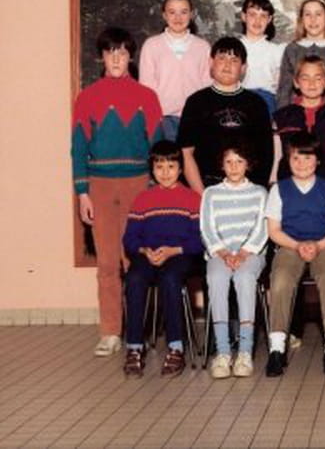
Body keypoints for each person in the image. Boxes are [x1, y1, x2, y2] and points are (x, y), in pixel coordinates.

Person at [72, 26, 163, 357]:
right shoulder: (87, 97)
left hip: (138, 184)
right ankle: (110, 331)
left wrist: (154, 191)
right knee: (107, 263)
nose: (116, 59)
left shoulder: (147, 97)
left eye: (122, 53)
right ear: (101, 57)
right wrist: (82, 192)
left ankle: (137, 332)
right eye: (110, 52)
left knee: (135, 261)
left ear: (130, 57)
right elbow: (78, 148)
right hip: (99, 186)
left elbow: (158, 149)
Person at [265, 132, 325, 377]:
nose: (302, 164)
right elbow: (273, 231)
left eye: (307, 158)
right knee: (280, 281)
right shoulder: (279, 190)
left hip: (324, 245)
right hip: (290, 245)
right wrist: (298, 245)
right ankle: (277, 347)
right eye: (296, 158)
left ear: (318, 160)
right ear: (287, 161)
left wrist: (318, 245)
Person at [122, 141, 202, 377]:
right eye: (159, 167)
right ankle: (134, 347)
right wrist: (145, 250)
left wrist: (173, 250)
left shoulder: (192, 199)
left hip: (179, 255)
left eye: (171, 166)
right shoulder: (143, 199)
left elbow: (200, 240)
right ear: (152, 169)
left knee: (170, 278)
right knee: (134, 278)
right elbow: (129, 238)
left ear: (180, 169)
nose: (165, 173)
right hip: (149, 254)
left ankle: (175, 347)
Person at [201, 142, 268, 378]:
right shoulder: (211, 193)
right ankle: (223, 352)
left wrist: (243, 253)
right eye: (229, 162)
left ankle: (245, 352)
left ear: (248, 165)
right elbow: (207, 228)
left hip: (250, 254)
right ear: (221, 165)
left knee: (244, 278)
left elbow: (262, 229)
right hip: (220, 254)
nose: (234, 167)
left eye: (239, 162)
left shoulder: (259, 193)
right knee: (216, 278)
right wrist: (223, 253)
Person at [177, 36, 273, 192]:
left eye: (234, 60)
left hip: (247, 190)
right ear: (211, 62)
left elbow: (266, 154)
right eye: (222, 58)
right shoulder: (196, 102)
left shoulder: (256, 104)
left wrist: (253, 192)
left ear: (243, 67)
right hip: (205, 186)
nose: (227, 65)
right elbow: (186, 153)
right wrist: (202, 196)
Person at [270, 55, 325, 183]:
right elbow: (276, 160)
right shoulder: (281, 117)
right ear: (296, 82)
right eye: (305, 78)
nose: (312, 83)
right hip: (288, 187)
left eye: (318, 78)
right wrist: (272, 185)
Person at [139, 0, 212, 141]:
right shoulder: (152, 45)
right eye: (172, 12)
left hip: (194, 118)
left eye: (183, 12)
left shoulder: (203, 47)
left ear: (192, 14)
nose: (178, 18)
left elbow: (208, 85)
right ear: (164, 15)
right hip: (162, 119)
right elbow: (146, 87)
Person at [277, 0, 325, 112]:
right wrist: (282, 116)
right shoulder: (292, 49)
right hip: (297, 111)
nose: (313, 20)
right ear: (301, 19)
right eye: (308, 14)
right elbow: (284, 89)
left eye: (318, 14)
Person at [238, 0, 286, 115]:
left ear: (269, 19)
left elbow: (280, 85)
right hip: (238, 98)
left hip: (266, 100)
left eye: (263, 16)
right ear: (243, 16)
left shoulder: (276, 51)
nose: (257, 21)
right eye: (252, 14)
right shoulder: (235, 47)